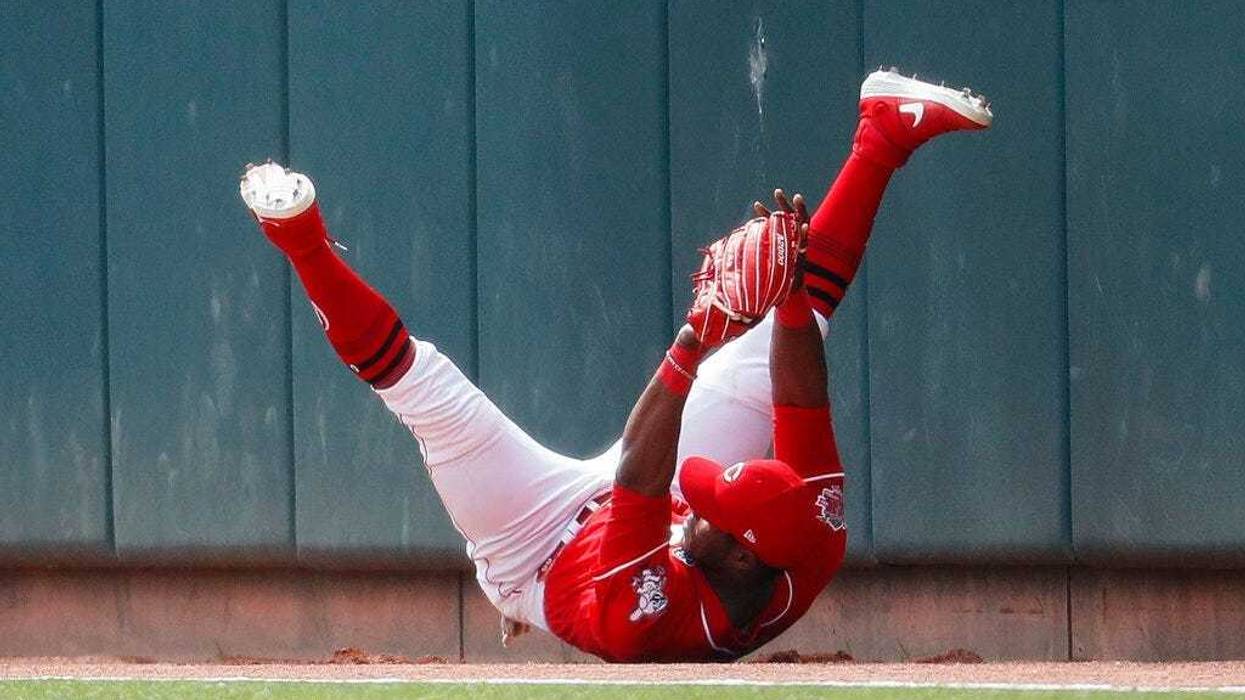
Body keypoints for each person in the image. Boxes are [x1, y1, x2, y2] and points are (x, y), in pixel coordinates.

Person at [239, 68, 991, 662]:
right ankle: (884, 135)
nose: (693, 499)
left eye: (708, 508)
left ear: (733, 552)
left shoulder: (644, 620)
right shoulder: (809, 541)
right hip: (638, 520)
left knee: (426, 389)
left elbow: (641, 472)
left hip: (534, 547)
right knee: (784, 345)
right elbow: (801, 403)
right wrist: (789, 299)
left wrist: (693, 340)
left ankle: (299, 238)